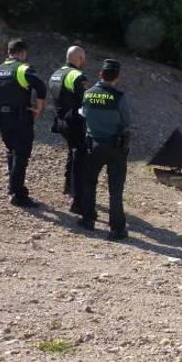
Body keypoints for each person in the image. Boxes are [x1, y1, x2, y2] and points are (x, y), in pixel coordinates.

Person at [0, 39, 47, 208]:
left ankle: (12, 187)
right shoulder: (23, 68)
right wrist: (39, 107)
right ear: (21, 53)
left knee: (12, 152)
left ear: (8, 52)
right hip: (20, 118)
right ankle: (18, 194)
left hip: (2, 118)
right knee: (21, 154)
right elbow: (41, 86)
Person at [78, 59, 131, 241]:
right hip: (115, 147)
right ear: (117, 78)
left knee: (89, 182)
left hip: (94, 145)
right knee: (115, 190)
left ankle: (88, 220)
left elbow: (84, 114)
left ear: (100, 74)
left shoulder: (88, 94)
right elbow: (127, 121)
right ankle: (116, 230)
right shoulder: (119, 97)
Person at [48, 46, 88, 214]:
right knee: (81, 158)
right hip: (75, 122)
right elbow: (86, 101)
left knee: (72, 153)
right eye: (83, 57)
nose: (84, 61)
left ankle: (68, 186)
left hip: (61, 121)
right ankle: (78, 202)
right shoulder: (77, 76)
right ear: (79, 58)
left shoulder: (56, 74)